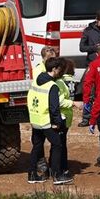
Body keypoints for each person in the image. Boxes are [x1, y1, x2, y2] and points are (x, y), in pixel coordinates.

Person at [27, 57, 74, 185]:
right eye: (60, 70)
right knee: (58, 145)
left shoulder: (36, 81)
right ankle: (57, 175)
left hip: (35, 120)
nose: (61, 73)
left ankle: (32, 174)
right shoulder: (52, 86)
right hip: (46, 121)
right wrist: (57, 123)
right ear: (54, 69)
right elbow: (54, 108)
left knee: (37, 147)